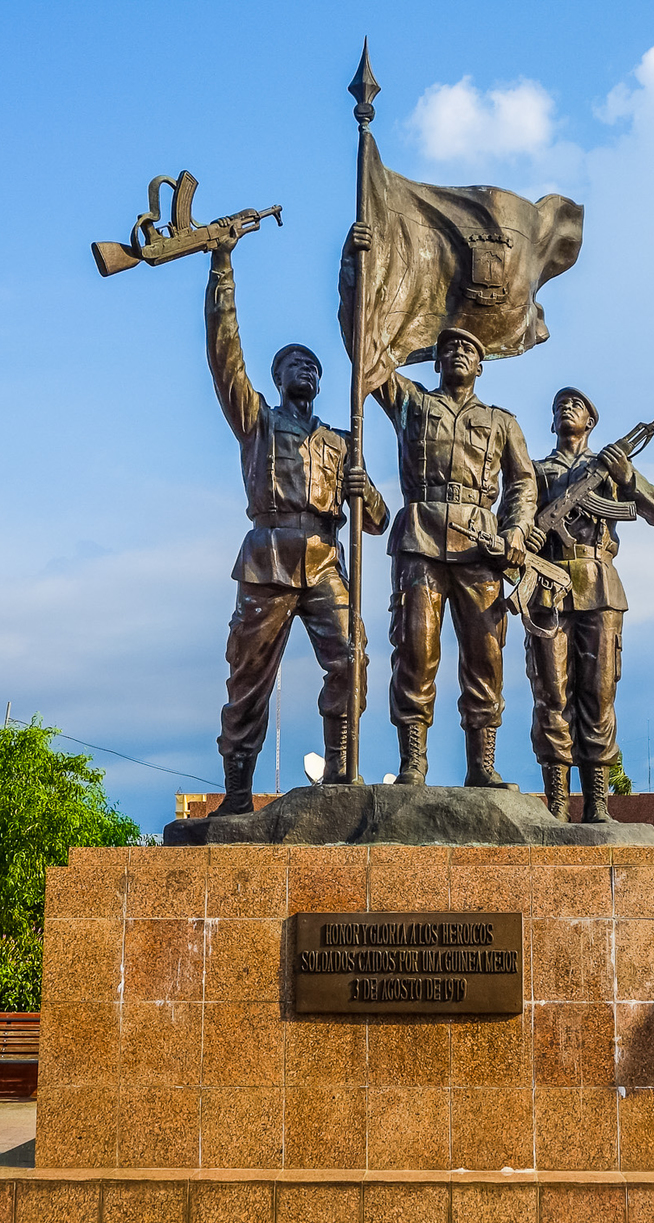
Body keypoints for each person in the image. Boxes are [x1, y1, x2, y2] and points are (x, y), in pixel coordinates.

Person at [205, 231, 387, 814]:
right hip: (269, 552)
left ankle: (339, 767)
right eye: (293, 363)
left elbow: (378, 518)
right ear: (278, 377)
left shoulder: (339, 440)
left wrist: (363, 491)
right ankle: (237, 791)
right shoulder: (256, 420)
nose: (304, 368)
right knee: (249, 675)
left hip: (325, 557)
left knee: (350, 659)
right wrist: (222, 269)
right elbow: (223, 353)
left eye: (312, 364)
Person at [351, 222, 535, 787]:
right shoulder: (410, 402)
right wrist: (355, 268)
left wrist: (516, 532)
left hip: (482, 547)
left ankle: (482, 765)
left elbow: (523, 485)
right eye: (449, 347)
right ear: (435, 362)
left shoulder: (502, 422)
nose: (458, 353)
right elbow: (363, 351)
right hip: (421, 539)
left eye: (468, 350)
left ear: (480, 365)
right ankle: (414, 763)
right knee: (416, 652)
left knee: (485, 658)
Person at [522, 387, 654, 822]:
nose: (566, 409)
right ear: (552, 422)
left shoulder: (608, 469)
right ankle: (555, 805)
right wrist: (528, 534)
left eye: (577, 405)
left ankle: (596, 806)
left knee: (598, 694)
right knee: (550, 695)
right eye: (559, 407)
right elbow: (509, 526)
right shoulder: (535, 471)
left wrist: (628, 477)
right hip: (548, 586)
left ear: (591, 421)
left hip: (600, 586)